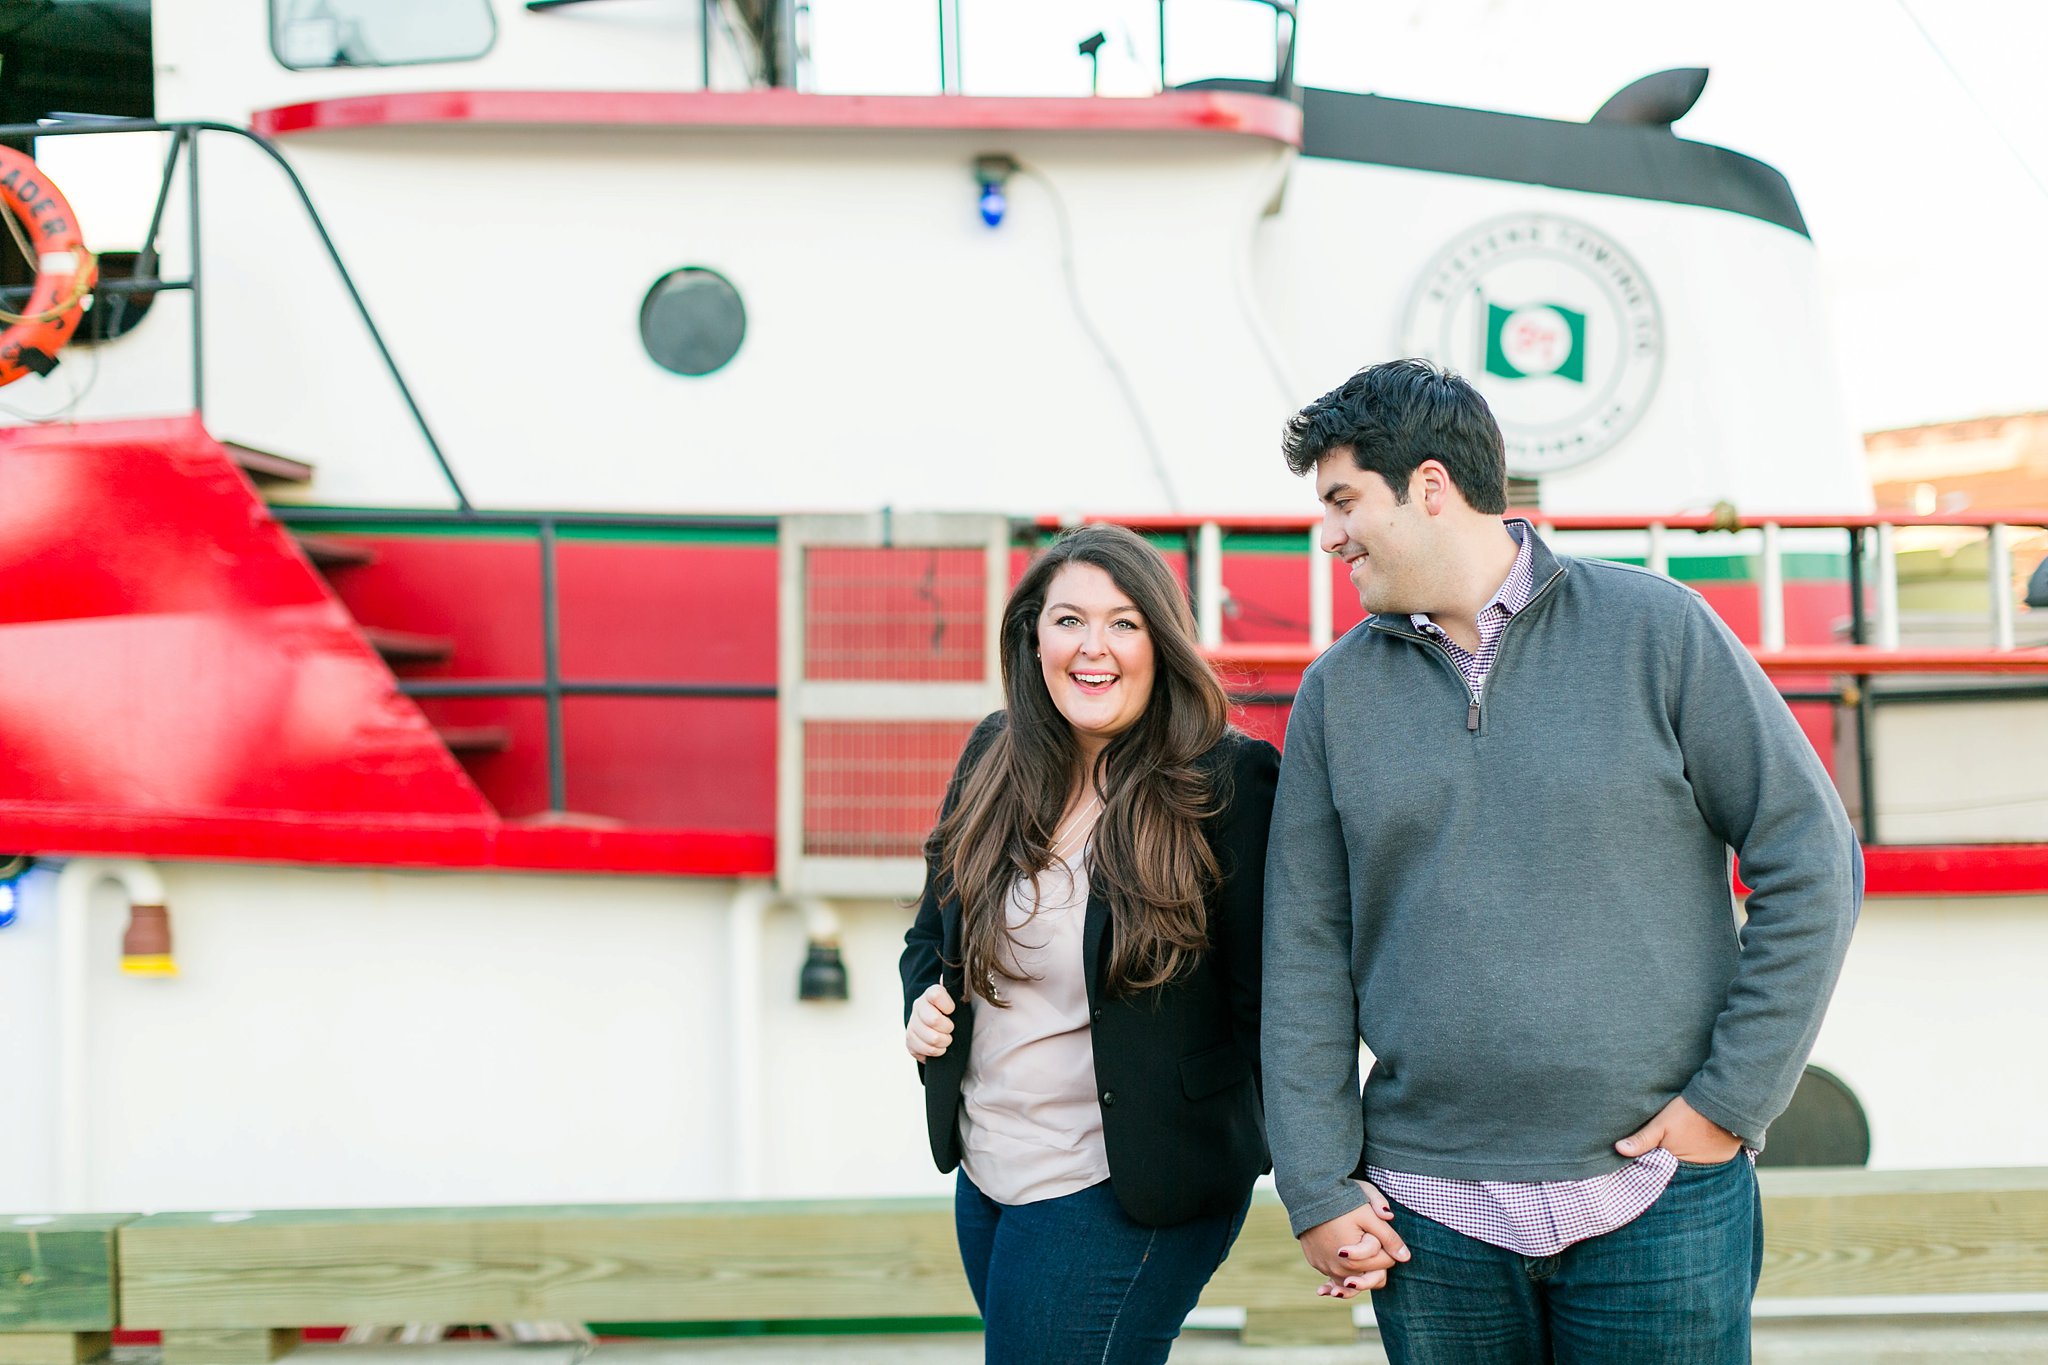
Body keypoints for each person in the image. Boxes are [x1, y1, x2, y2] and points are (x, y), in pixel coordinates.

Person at [1261, 359, 1862, 1364]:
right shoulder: (1335, 695)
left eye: (1341, 500)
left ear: (1429, 487)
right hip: (1428, 1217)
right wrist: (1315, 1185)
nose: (1329, 533)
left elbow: (1810, 859)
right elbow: (1302, 952)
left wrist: (1726, 1103)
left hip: (1658, 1199)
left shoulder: (1658, 633)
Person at [900, 523, 1279, 1365]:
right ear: (1034, 635)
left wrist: (1324, 1180)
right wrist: (923, 997)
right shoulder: (993, 755)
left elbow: (1276, 1002)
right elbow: (933, 929)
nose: (1092, 647)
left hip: (1131, 1184)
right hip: (989, 1171)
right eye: (1069, 620)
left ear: (1161, 640)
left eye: (1123, 622)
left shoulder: (1230, 783)